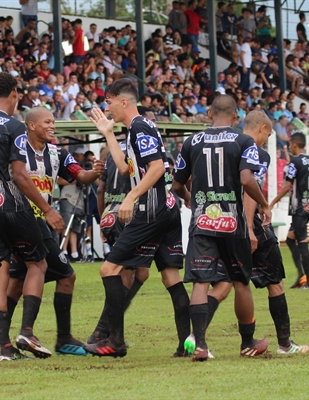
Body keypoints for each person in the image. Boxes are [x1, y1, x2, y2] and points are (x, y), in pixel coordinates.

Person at [0, 107, 105, 358]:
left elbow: (80, 176)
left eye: (54, 122)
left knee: (18, 281)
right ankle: (48, 336)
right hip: (27, 219)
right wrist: (48, 211)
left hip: (36, 222)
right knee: (66, 274)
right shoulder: (16, 150)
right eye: (47, 122)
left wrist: (94, 172)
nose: (53, 126)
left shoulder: (58, 153)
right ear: (31, 125)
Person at [84, 78, 189, 358]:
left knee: (109, 270)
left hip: (150, 213)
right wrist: (107, 133)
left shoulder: (140, 126)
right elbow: (122, 166)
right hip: (167, 212)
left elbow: (156, 168)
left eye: (108, 101)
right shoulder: (134, 130)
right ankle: (187, 345)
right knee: (170, 278)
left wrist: (131, 197)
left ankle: (115, 342)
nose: (106, 108)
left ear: (123, 101)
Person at [0, 72, 64, 361]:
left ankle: (1, 345)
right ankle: (27, 332)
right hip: (11, 206)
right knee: (37, 263)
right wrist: (47, 209)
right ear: (15, 94)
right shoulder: (14, 126)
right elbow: (19, 174)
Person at [172, 95, 271, 361]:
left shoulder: (191, 142)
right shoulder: (244, 141)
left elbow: (177, 184)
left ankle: (201, 346)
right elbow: (247, 179)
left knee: (201, 282)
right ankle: (247, 342)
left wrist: (190, 198)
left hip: (203, 222)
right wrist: (263, 204)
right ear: (236, 115)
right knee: (240, 283)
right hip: (232, 223)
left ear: (208, 113)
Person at [87, 106, 155, 346]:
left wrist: (101, 217)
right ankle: (104, 331)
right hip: (128, 213)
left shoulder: (110, 150)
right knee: (125, 275)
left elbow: (101, 188)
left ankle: (107, 328)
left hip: (109, 213)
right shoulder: (141, 148)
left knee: (142, 273)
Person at [243, 111, 309, 354]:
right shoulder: (258, 154)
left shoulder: (228, 149)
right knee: (275, 283)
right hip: (253, 228)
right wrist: (251, 225)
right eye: (268, 134)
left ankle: (196, 340)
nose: (266, 139)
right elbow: (251, 187)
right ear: (261, 129)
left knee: (221, 285)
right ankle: (284, 344)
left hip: (223, 225)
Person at [270, 132, 309, 289]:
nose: (289, 147)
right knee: (290, 239)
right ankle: (302, 276)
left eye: (290, 144)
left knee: (302, 242)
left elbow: (287, 186)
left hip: (300, 207)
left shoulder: (294, 163)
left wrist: (271, 203)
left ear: (295, 145)